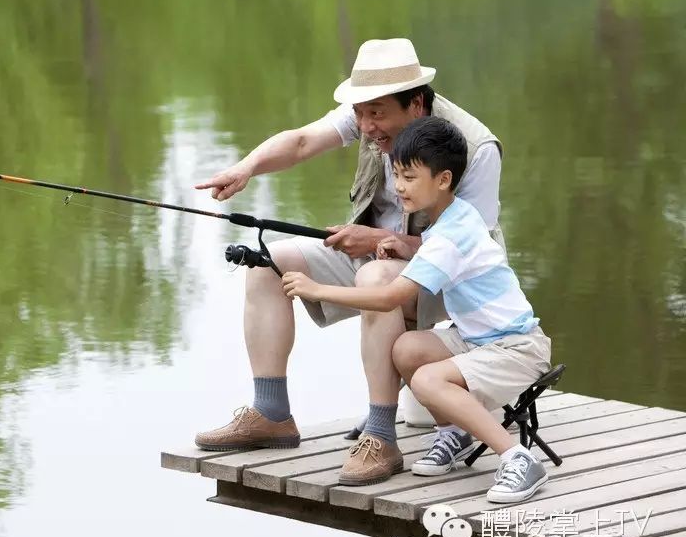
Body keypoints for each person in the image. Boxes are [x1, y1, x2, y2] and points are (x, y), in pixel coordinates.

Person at [192, 38, 505, 486]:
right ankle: (271, 414)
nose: (366, 125)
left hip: (451, 281)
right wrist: (245, 168)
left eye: (376, 113)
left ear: (415, 103)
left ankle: (380, 436)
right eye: (360, 113)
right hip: (373, 257)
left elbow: (471, 248)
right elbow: (301, 142)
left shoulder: (475, 148)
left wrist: (377, 238)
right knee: (265, 262)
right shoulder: (370, 114)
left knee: (377, 274)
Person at [281, 116, 552, 503]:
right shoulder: (452, 218)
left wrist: (316, 288)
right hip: (479, 340)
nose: (399, 187)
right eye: (395, 175)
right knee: (406, 349)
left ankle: (518, 459)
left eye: (409, 177)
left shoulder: (451, 233)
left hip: (516, 349)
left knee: (427, 380)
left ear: (443, 180)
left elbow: (390, 298)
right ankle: (456, 432)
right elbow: (437, 250)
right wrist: (406, 246)